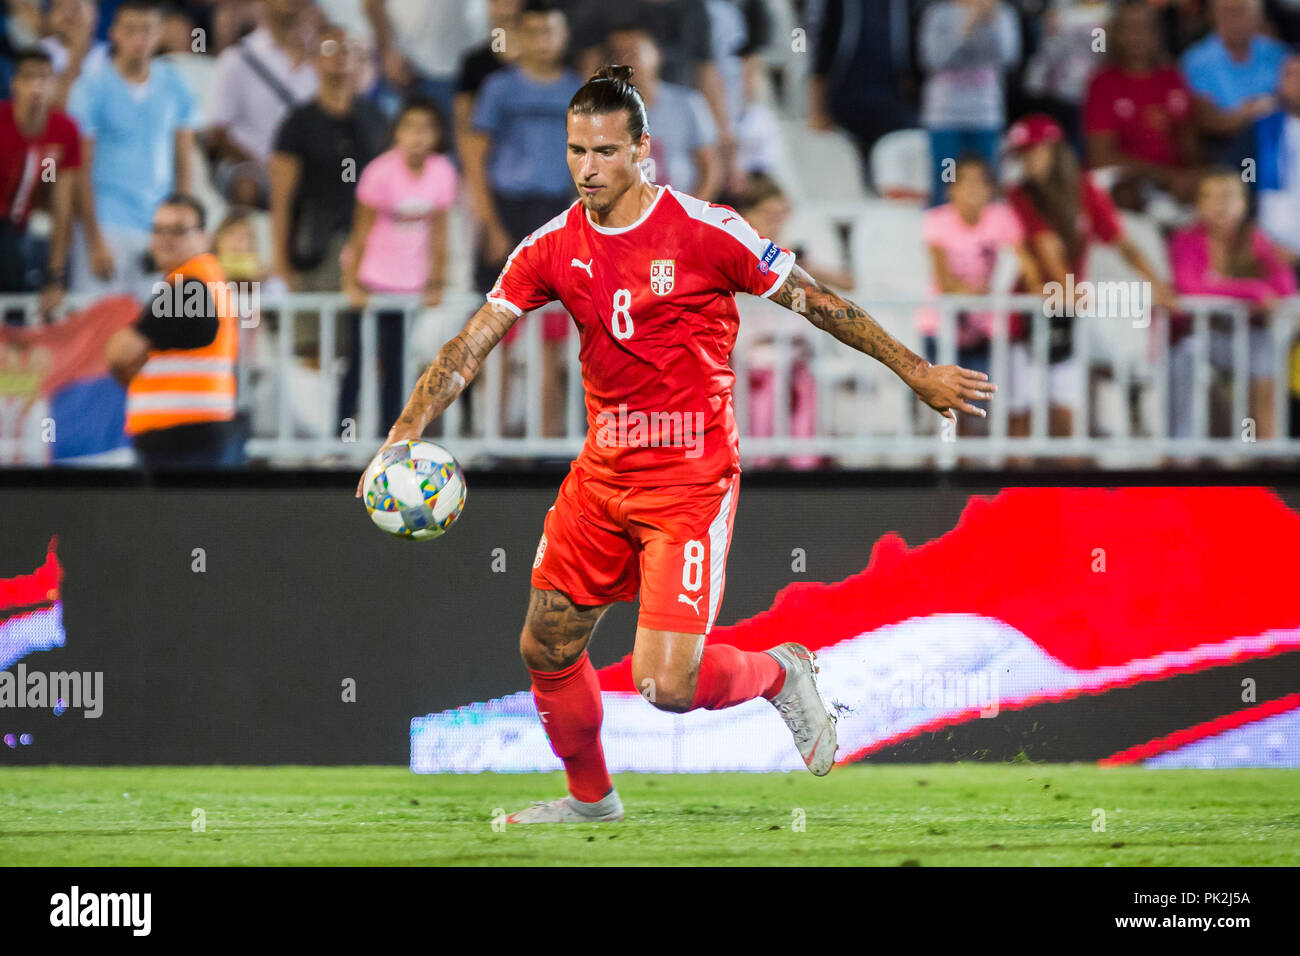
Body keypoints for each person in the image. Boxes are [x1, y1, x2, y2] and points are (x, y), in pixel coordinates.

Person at [359, 65, 994, 823]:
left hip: (690, 481)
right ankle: (591, 802)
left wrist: (917, 372)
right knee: (547, 648)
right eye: (575, 152)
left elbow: (819, 304)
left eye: (604, 152)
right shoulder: (551, 246)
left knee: (667, 687)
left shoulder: (707, 230)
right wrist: (402, 436)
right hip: (601, 478)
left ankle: (781, 675)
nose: (587, 169)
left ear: (642, 150)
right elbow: (471, 344)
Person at [1004, 114, 1176, 442]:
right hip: (1027, 313)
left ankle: (1070, 490)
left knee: (1067, 409)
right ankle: (1018, 490)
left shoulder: (1084, 190)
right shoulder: (1019, 194)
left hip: (1067, 308)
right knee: (1022, 409)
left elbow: (1122, 243)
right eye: (1022, 154)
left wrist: (1158, 284)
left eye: (1035, 151)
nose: (1028, 160)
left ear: (1055, 151)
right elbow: (1044, 247)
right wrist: (1065, 288)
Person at [66, 0, 197, 299]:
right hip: (107, 223)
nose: (139, 38)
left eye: (147, 29)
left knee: (154, 332)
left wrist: (179, 231)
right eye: (131, 29)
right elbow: (80, 169)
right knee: (97, 328)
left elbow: (183, 163)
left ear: (160, 33)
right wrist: (93, 239)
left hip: (157, 228)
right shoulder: (90, 87)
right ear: (114, 33)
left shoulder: (175, 83)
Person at [340, 97, 456, 435]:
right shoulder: (379, 171)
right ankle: (340, 437)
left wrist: (436, 282)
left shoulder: (442, 172)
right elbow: (360, 230)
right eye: (410, 128)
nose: (418, 136)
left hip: (411, 286)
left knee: (397, 366)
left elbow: (439, 233)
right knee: (359, 363)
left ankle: (387, 440)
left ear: (436, 135)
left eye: (426, 129)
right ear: (397, 133)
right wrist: (352, 282)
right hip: (373, 280)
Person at [105, 194, 244, 470]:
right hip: (195, 435)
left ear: (204, 237)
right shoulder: (204, 278)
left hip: (182, 438)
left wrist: (128, 363)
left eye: (179, 230)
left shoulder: (187, 287)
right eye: (158, 229)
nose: (165, 239)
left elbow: (119, 353)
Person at [1167, 168, 1297, 440]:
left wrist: (1278, 264)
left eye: (1227, 197)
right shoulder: (1186, 238)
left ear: (1243, 203)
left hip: (1244, 339)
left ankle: (1266, 453)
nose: (1219, 205)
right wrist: (1253, 292)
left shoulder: (1256, 239)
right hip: (1197, 335)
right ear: (1198, 204)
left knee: (1265, 350)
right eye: (1209, 197)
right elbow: (1190, 287)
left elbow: (1284, 290)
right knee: (1187, 355)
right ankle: (1183, 453)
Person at [921, 155, 1039, 436]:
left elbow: (1024, 264)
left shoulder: (1001, 217)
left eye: (980, 183)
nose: (973, 189)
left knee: (984, 403)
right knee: (948, 402)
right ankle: (951, 469)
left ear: (990, 190)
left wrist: (1024, 289)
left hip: (987, 327)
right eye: (966, 182)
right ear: (952, 189)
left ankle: (987, 466)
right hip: (942, 324)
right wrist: (971, 292)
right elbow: (944, 278)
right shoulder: (936, 220)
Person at [1083, 0, 1200, 210]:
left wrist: (1189, 176)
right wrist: (1161, 175)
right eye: (1129, 27)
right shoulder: (1102, 83)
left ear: (1157, 33)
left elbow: (1188, 141)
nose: (1137, 35)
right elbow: (1100, 157)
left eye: (1145, 27)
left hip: (1171, 184)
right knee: (1125, 192)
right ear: (1116, 33)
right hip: (1125, 183)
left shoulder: (1173, 77)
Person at [207, 0, 318, 208]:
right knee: (247, 186)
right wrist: (263, 166)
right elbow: (218, 134)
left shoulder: (321, 59)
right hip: (255, 167)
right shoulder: (237, 59)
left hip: (308, 169)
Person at [0, 47, 79, 319]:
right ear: (15, 84)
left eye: (44, 78)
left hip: (20, 227)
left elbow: (61, 207)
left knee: (33, 256)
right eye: (29, 77)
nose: (37, 86)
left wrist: (55, 277)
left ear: (54, 85)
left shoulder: (63, 131)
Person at [918, 0, 1021, 205]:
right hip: (945, 120)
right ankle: (943, 235)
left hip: (985, 118)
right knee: (947, 182)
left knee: (986, 185)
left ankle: (986, 236)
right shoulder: (937, 13)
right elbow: (933, 59)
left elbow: (1009, 58)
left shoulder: (1003, 13)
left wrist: (992, 23)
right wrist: (965, 27)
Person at [606, 26, 720, 198]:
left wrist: (692, 217)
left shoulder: (688, 103)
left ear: (656, 54)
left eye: (633, 53)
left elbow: (711, 168)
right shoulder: (604, 113)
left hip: (681, 210)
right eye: (618, 55)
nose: (625, 62)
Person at [1180, 0, 1289, 169]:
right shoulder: (1196, 61)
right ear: (1213, 16)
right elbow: (1206, 121)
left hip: (1278, 145)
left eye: (1241, 11)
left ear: (1258, 17)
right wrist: (1248, 114)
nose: (1234, 19)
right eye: (1227, 11)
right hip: (1224, 148)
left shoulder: (1278, 54)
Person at [1255, 53, 1300, 263]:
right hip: (1273, 241)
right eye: (1291, 74)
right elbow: (1245, 167)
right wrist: (1250, 182)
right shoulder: (1260, 128)